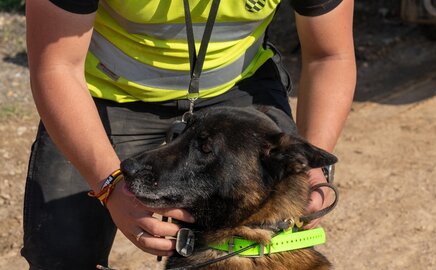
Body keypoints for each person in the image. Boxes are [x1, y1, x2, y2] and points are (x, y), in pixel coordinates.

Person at [22, 0, 356, 269]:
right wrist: (107, 184)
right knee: (63, 254)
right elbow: (56, 66)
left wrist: (310, 164)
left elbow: (330, 55)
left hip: (235, 95)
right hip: (107, 96)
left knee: (272, 218)